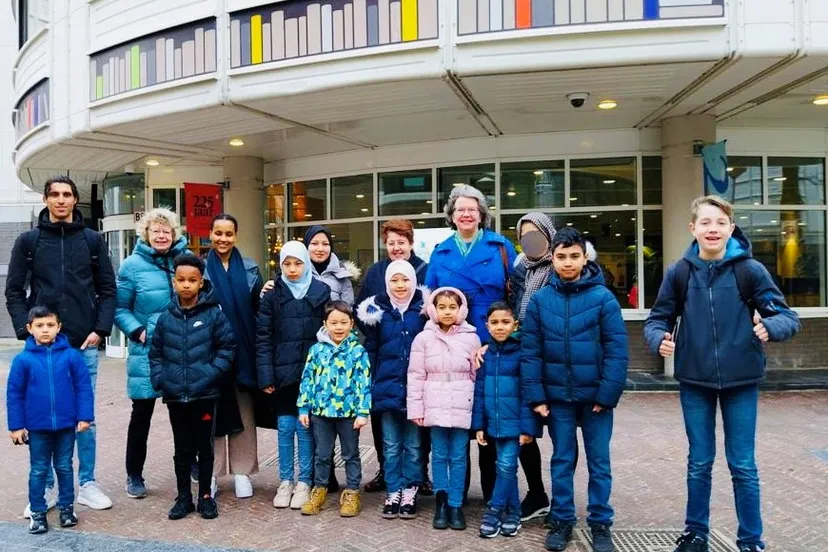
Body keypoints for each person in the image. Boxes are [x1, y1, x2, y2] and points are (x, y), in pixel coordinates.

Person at [644, 196, 800, 552]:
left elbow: (788, 317)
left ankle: (751, 541)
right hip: (694, 380)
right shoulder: (680, 272)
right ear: (693, 229)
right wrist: (658, 339)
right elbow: (657, 318)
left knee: (742, 464)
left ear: (730, 228)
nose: (712, 229)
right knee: (699, 462)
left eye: (719, 223)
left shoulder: (750, 270)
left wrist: (771, 326)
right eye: (705, 223)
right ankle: (696, 533)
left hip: (741, 381)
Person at [5, 175, 116, 515]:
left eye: (67, 195)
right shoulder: (29, 241)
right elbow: (13, 291)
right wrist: (28, 334)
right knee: (41, 415)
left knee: (84, 417)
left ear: (74, 199)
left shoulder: (92, 240)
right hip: (41, 349)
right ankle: (47, 488)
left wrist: (100, 329)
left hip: (81, 345)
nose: (61, 200)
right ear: (45, 199)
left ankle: (87, 484)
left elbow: (108, 289)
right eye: (55, 195)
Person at [522, 227, 628, 552]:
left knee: (599, 463)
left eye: (574, 256)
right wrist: (537, 396)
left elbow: (616, 349)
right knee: (562, 460)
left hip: (596, 398)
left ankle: (600, 523)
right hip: (558, 399)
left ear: (584, 258)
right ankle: (562, 520)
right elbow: (531, 351)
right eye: (561, 256)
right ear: (552, 259)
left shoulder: (603, 299)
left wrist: (607, 394)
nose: (568, 263)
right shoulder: (540, 301)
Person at [425, 184, 516, 503]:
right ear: (451, 214)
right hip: (453, 345)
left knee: (490, 414)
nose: (466, 214)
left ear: (482, 215)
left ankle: (494, 493)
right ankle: (454, 496)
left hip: (493, 341)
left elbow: (512, 300)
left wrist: (500, 339)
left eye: (472, 209)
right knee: (456, 415)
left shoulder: (501, 246)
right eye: (460, 209)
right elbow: (432, 301)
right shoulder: (441, 250)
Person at [149, 254, 236, 521]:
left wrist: (210, 375)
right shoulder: (165, 318)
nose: (186, 285)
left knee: (205, 448)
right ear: (174, 282)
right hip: (176, 397)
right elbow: (155, 354)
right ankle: (184, 497)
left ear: (201, 283)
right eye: (181, 280)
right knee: (182, 449)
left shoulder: (213, 315)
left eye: (192, 280)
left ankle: (205, 498)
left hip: (205, 395)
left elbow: (227, 347)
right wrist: (161, 381)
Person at [114, 208, 190, 499]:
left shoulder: (183, 262)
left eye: (166, 231)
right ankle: (134, 474)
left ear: (174, 235)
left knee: (183, 414)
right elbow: (120, 308)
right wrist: (138, 331)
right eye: (156, 231)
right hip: (145, 350)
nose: (161, 235)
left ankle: (191, 464)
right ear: (145, 234)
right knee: (142, 414)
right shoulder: (131, 266)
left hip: (181, 350)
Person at [356, 219, 429, 494]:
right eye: (391, 243)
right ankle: (387, 471)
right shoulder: (376, 272)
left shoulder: (426, 270)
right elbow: (361, 309)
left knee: (417, 428)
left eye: (401, 242)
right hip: (386, 360)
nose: (396, 247)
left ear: (410, 242)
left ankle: (419, 474)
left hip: (415, 360)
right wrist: (379, 331)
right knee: (384, 424)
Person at [6, 306, 94, 534]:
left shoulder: (72, 356)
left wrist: (85, 416)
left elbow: (83, 387)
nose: (45, 330)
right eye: (39, 326)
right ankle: (38, 512)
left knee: (64, 467)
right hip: (37, 428)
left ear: (59, 327)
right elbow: (14, 394)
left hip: (66, 425)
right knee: (38, 470)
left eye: (50, 325)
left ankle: (66, 508)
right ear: (29, 329)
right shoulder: (22, 360)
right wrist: (16, 426)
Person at [257, 241, 330, 511]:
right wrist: (265, 376)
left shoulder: (322, 292)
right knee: (286, 429)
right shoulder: (272, 294)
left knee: (306, 428)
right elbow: (262, 337)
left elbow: (330, 333)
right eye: (286, 263)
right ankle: (285, 481)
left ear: (306, 263)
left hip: (311, 376)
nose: (292, 269)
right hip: (282, 374)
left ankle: (304, 482)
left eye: (298, 263)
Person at [204, 214, 273, 499]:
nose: (223, 239)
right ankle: (212, 473)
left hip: (244, 352)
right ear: (210, 234)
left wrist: (267, 291)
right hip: (210, 353)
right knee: (212, 415)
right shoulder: (199, 269)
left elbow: (258, 310)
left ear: (236, 235)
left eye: (228, 234)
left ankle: (243, 471)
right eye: (218, 233)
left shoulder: (251, 269)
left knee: (244, 413)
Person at [407, 287, 481, 531]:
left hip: (462, 404)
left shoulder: (472, 336)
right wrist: (416, 408)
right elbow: (416, 375)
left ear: (461, 309)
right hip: (435, 404)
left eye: (452, 306)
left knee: (459, 456)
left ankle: (456, 504)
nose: (447, 311)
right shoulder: (423, 338)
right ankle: (441, 502)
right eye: (442, 307)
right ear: (433, 309)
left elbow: (476, 374)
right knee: (439, 455)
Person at [297, 301, 372, 517]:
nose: (338, 327)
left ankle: (352, 492)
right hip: (321, 413)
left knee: (350, 454)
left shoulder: (358, 351)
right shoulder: (317, 350)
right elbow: (307, 379)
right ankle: (319, 490)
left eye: (343, 322)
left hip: (349, 415)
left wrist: (362, 412)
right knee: (322, 454)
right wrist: (304, 408)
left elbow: (364, 382)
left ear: (351, 324)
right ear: (325, 324)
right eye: (333, 323)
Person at [472, 301, 539, 539]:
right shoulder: (485, 355)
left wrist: (527, 427)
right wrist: (479, 425)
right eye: (495, 323)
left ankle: (494, 510)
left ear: (515, 324)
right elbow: (479, 392)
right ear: (487, 326)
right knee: (505, 468)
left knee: (507, 466)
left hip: (515, 425)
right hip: (494, 424)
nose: (500, 327)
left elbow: (528, 392)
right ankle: (513, 513)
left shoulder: (522, 354)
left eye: (505, 322)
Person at [305, 225, 360, 305]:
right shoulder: (296, 275)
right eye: (314, 243)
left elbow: (347, 311)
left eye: (325, 244)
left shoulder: (342, 278)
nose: (320, 249)